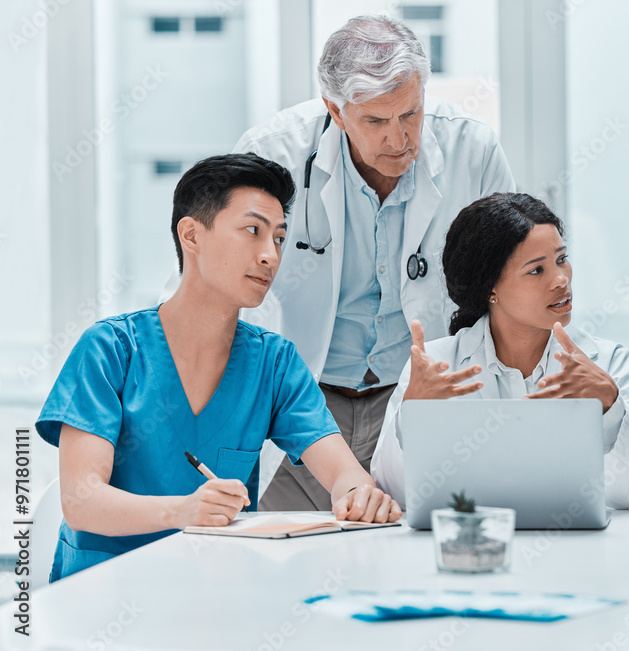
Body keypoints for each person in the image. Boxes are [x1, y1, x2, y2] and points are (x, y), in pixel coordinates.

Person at [161, 15, 516, 510]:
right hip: (299, 407)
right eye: (375, 121)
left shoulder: (472, 151)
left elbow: (512, 289)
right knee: (278, 547)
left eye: (410, 114)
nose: (399, 139)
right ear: (336, 110)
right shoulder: (272, 152)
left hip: (418, 397)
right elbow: (210, 287)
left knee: (415, 548)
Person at [37, 154, 401, 582]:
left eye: (279, 238)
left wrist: (360, 494)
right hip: (101, 592)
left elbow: (342, 471)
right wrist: (183, 511)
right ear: (191, 235)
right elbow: (81, 501)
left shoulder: (274, 364)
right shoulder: (111, 349)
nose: (270, 256)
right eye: (253, 231)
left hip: (212, 590)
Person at [370, 193, 629, 509]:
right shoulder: (434, 365)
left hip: (570, 538)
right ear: (489, 288)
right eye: (536, 270)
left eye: (561, 259)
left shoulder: (607, 362)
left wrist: (609, 405)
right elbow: (395, 491)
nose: (561, 279)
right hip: (473, 537)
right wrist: (413, 413)